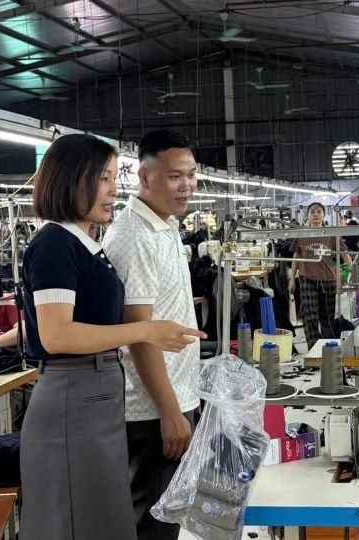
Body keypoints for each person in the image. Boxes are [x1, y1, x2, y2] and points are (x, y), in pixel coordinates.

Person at [20, 133, 204, 539]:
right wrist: (145, 330)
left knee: (103, 521)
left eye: (111, 178)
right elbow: (55, 335)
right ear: (74, 180)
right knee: (75, 520)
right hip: (75, 396)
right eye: (103, 179)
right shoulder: (54, 243)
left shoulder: (83, 243)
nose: (113, 190)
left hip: (95, 392)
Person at [102, 130, 204, 540]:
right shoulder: (134, 236)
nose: (187, 186)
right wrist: (170, 412)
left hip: (175, 397)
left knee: (169, 518)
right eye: (175, 177)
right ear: (144, 178)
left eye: (192, 175)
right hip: (151, 411)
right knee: (152, 523)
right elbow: (139, 335)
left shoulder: (165, 225)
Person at [289, 202, 352, 348]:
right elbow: (296, 257)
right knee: (310, 318)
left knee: (327, 318)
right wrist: (292, 279)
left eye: (319, 212)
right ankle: (313, 349)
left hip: (328, 280)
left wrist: (354, 273)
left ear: (324, 215)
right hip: (307, 280)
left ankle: (326, 348)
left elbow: (345, 254)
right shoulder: (302, 234)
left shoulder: (331, 234)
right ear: (308, 216)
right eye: (312, 212)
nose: (316, 214)